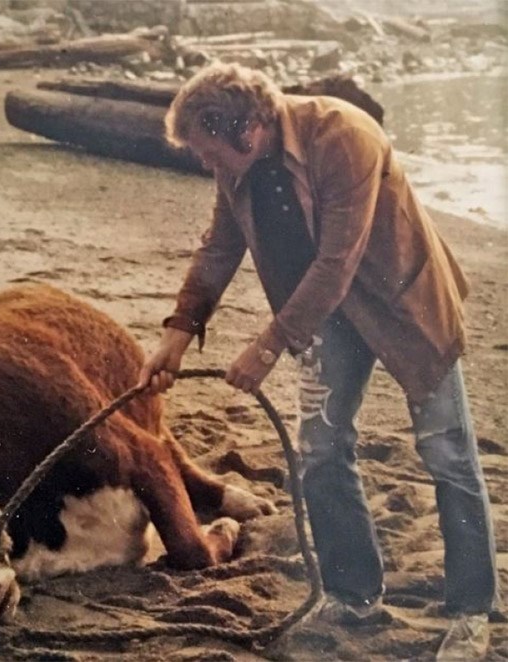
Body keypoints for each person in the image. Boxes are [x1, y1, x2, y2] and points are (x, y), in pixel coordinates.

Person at [137, 62, 497, 660]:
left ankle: (470, 613)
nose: (208, 165)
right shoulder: (238, 162)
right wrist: (178, 331)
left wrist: (268, 345)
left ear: (248, 129)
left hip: (405, 304)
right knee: (322, 451)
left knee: (447, 453)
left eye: (210, 153)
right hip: (324, 314)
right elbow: (219, 246)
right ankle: (354, 595)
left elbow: (338, 261)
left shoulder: (343, 135)